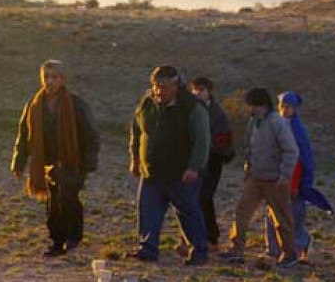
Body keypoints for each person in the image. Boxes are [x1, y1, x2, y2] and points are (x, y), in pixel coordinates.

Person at [11, 59, 100, 257]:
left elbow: (91, 134)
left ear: (62, 79)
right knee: (53, 204)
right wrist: (19, 162)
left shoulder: (76, 104)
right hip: (48, 164)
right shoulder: (34, 105)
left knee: (67, 197)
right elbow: (24, 135)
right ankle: (57, 243)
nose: (49, 82)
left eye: (54, 77)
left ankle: (74, 237)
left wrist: (87, 164)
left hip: (73, 162)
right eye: (46, 77)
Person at [127, 65, 211, 265]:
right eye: (155, 86)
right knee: (148, 211)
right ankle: (147, 249)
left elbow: (202, 141)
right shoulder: (147, 102)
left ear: (176, 85)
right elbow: (136, 131)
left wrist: (194, 167)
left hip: (180, 173)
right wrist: (135, 159)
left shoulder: (193, 107)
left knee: (188, 214)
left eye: (163, 87)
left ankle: (199, 251)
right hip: (151, 171)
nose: (158, 91)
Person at [219, 88, 300, 268]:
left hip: (275, 180)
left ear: (262, 105)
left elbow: (291, 150)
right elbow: (250, 147)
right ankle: (236, 249)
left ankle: (289, 253)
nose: (250, 109)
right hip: (256, 177)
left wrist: (285, 175)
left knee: (282, 219)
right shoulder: (253, 122)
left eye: (253, 106)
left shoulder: (277, 123)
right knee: (242, 212)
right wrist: (248, 170)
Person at [264, 91, 332, 264]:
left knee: (291, 217)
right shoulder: (274, 125)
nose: (285, 110)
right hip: (274, 178)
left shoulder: (297, 131)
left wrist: (295, 185)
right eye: (282, 106)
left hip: (292, 181)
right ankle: (273, 249)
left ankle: (300, 244)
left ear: (295, 109)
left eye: (289, 107)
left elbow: (300, 161)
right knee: (272, 215)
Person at [174, 77, 234, 255]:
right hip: (192, 161)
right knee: (188, 200)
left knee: (204, 199)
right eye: (194, 90)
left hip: (213, 161)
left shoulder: (218, 113)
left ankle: (211, 239)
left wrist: (208, 149)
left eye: (201, 89)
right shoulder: (188, 108)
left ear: (209, 91)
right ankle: (188, 239)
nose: (197, 93)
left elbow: (224, 141)